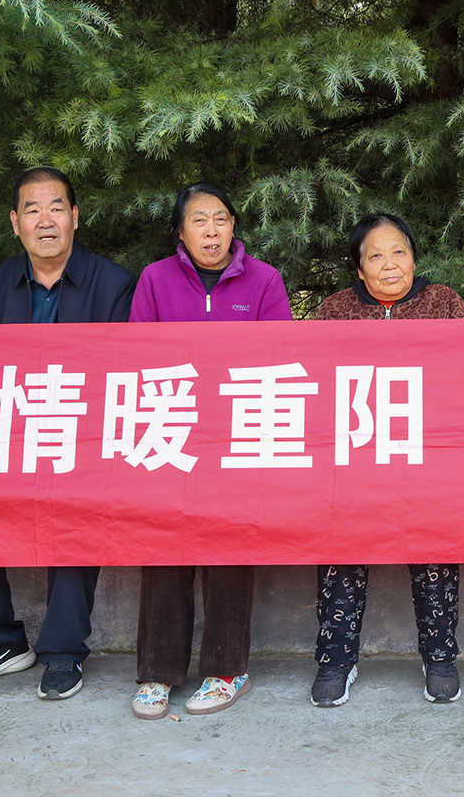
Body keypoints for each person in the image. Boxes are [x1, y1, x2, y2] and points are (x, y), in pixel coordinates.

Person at [0, 167, 134, 700]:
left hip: (84, 436)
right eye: (32, 209)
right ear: (15, 222)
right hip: (6, 432)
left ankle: (64, 649)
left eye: (56, 208)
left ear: (75, 217)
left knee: (80, 501)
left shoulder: (114, 283)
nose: (45, 220)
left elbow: (122, 370)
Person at [130, 183, 292, 720]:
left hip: (238, 433)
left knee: (229, 552)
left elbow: (281, 357)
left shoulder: (264, 280)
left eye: (221, 219)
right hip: (171, 429)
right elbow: (137, 356)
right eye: (199, 220)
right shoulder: (155, 279)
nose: (211, 230)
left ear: (233, 226)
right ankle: (157, 672)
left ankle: (227, 669)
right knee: (163, 551)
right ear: (181, 231)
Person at [306, 213, 464, 708]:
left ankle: (439, 657)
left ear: (414, 258)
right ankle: (336, 659)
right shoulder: (334, 311)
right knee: (341, 548)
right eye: (375, 256)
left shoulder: (444, 303)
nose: (390, 264)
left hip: (428, 453)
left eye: (399, 251)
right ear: (360, 269)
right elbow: (312, 380)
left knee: (435, 549)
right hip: (353, 457)